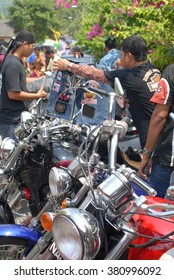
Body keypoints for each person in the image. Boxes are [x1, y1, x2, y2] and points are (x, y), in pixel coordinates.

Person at [53, 35, 161, 148]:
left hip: (153, 142)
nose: (120, 60)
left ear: (129, 56)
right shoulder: (152, 70)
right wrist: (125, 120)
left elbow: (94, 74)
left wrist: (68, 65)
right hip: (162, 134)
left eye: (122, 56)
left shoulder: (130, 76)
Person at [0, 30, 47, 140]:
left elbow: (20, 80)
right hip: (11, 120)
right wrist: (37, 95)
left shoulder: (15, 61)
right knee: (13, 155)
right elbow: (13, 94)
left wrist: (39, 79)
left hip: (14, 118)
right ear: (25, 45)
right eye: (32, 46)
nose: (33, 49)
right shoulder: (13, 64)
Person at [138, 64, 174, 198]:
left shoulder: (171, 72)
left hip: (169, 160)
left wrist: (146, 155)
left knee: (158, 212)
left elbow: (160, 116)